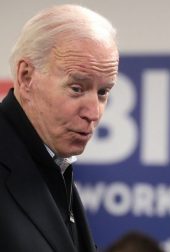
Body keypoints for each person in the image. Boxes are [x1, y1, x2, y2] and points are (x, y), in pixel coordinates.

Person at [0, 4, 119, 252]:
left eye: (102, 92)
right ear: (26, 77)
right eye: (76, 88)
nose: (93, 113)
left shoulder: (55, 163)